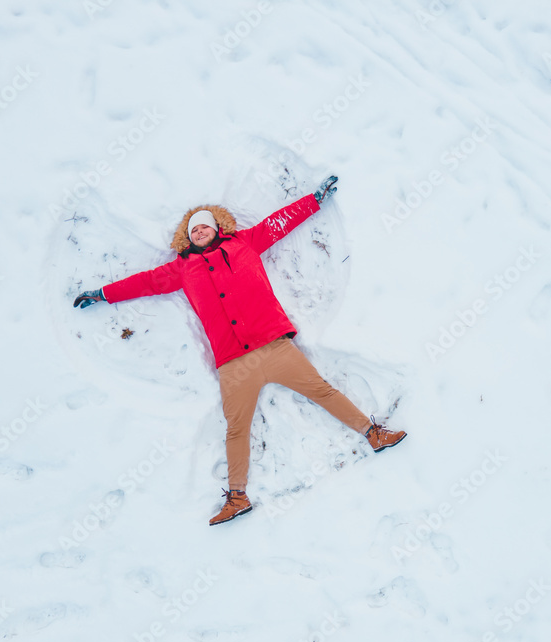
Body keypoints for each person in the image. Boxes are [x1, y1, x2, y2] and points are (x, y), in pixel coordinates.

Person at [73, 176, 407, 525]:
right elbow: (142, 283)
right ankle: (237, 498)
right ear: (187, 237)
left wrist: (314, 200)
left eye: (204, 226)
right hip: (234, 365)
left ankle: (374, 435)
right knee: (236, 429)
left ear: (217, 227)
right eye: (193, 230)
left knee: (322, 391)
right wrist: (103, 294)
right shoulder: (182, 269)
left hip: (274, 346)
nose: (199, 232)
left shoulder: (245, 243)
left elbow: (278, 224)